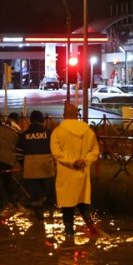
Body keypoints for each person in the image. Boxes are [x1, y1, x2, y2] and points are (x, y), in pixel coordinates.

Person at [50, 101, 101, 245]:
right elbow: (95, 151)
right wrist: (84, 160)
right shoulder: (88, 131)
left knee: (67, 206)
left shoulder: (58, 132)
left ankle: (69, 237)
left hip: (66, 174)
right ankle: (92, 229)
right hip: (82, 173)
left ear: (64, 115)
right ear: (76, 115)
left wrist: (72, 162)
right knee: (82, 203)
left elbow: (57, 153)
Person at [16, 110, 56, 220]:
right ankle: (47, 214)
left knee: (35, 194)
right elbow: (56, 150)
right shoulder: (49, 134)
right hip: (47, 168)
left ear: (30, 120)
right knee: (45, 192)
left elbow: (19, 153)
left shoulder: (24, 135)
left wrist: (23, 164)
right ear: (42, 120)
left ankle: (39, 219)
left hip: (31, 169)